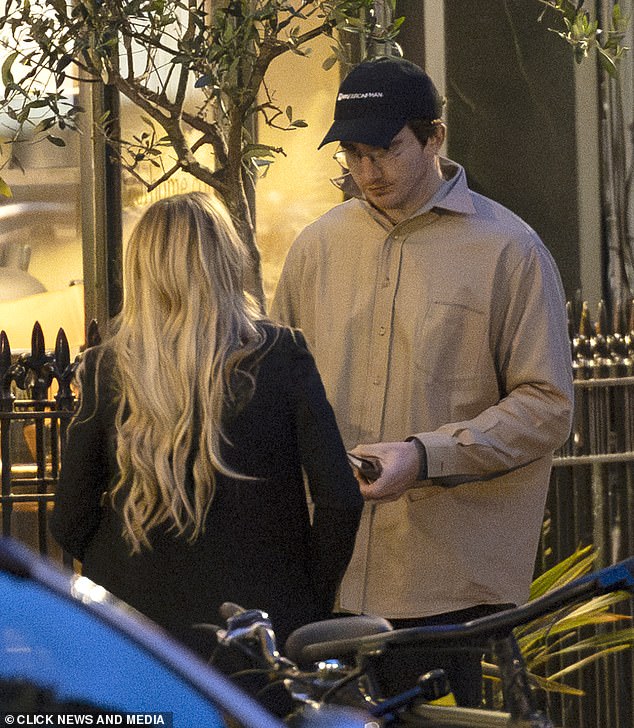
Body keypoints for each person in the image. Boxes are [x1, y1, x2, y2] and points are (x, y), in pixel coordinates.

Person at [271, 56, 573, 706]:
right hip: (330, 578)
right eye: (353, 153)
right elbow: (275, 399)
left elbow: (547, 407)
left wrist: (425, 456)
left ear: (434, 136)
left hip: (447, 590)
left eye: (386, 150)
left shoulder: (509, 251)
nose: (367, 171)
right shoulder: (314, 250)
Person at [51, 192, 363, 663]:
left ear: (140, 271)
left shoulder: (106, 369)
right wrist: (307, 599)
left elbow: (68, 519)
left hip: (136, 634)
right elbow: (339, 497)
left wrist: (121, 569)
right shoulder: (281, 356)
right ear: (226, 262)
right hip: (257, 630)